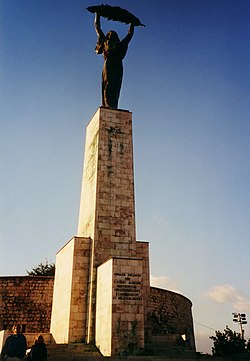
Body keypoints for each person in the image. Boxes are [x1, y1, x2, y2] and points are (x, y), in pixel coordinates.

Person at [94, 12, 134, 109]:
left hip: (118, 65)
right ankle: (108, 105)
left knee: (116, 86)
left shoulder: (120, 45)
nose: (111, 35)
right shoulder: (105, 42)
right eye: (109, 34)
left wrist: (132, 24)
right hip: (109, 63)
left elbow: (129, 36)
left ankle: (113, 106)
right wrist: (97, 14)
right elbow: (98, 28)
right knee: (108, 83)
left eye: (113, 34)